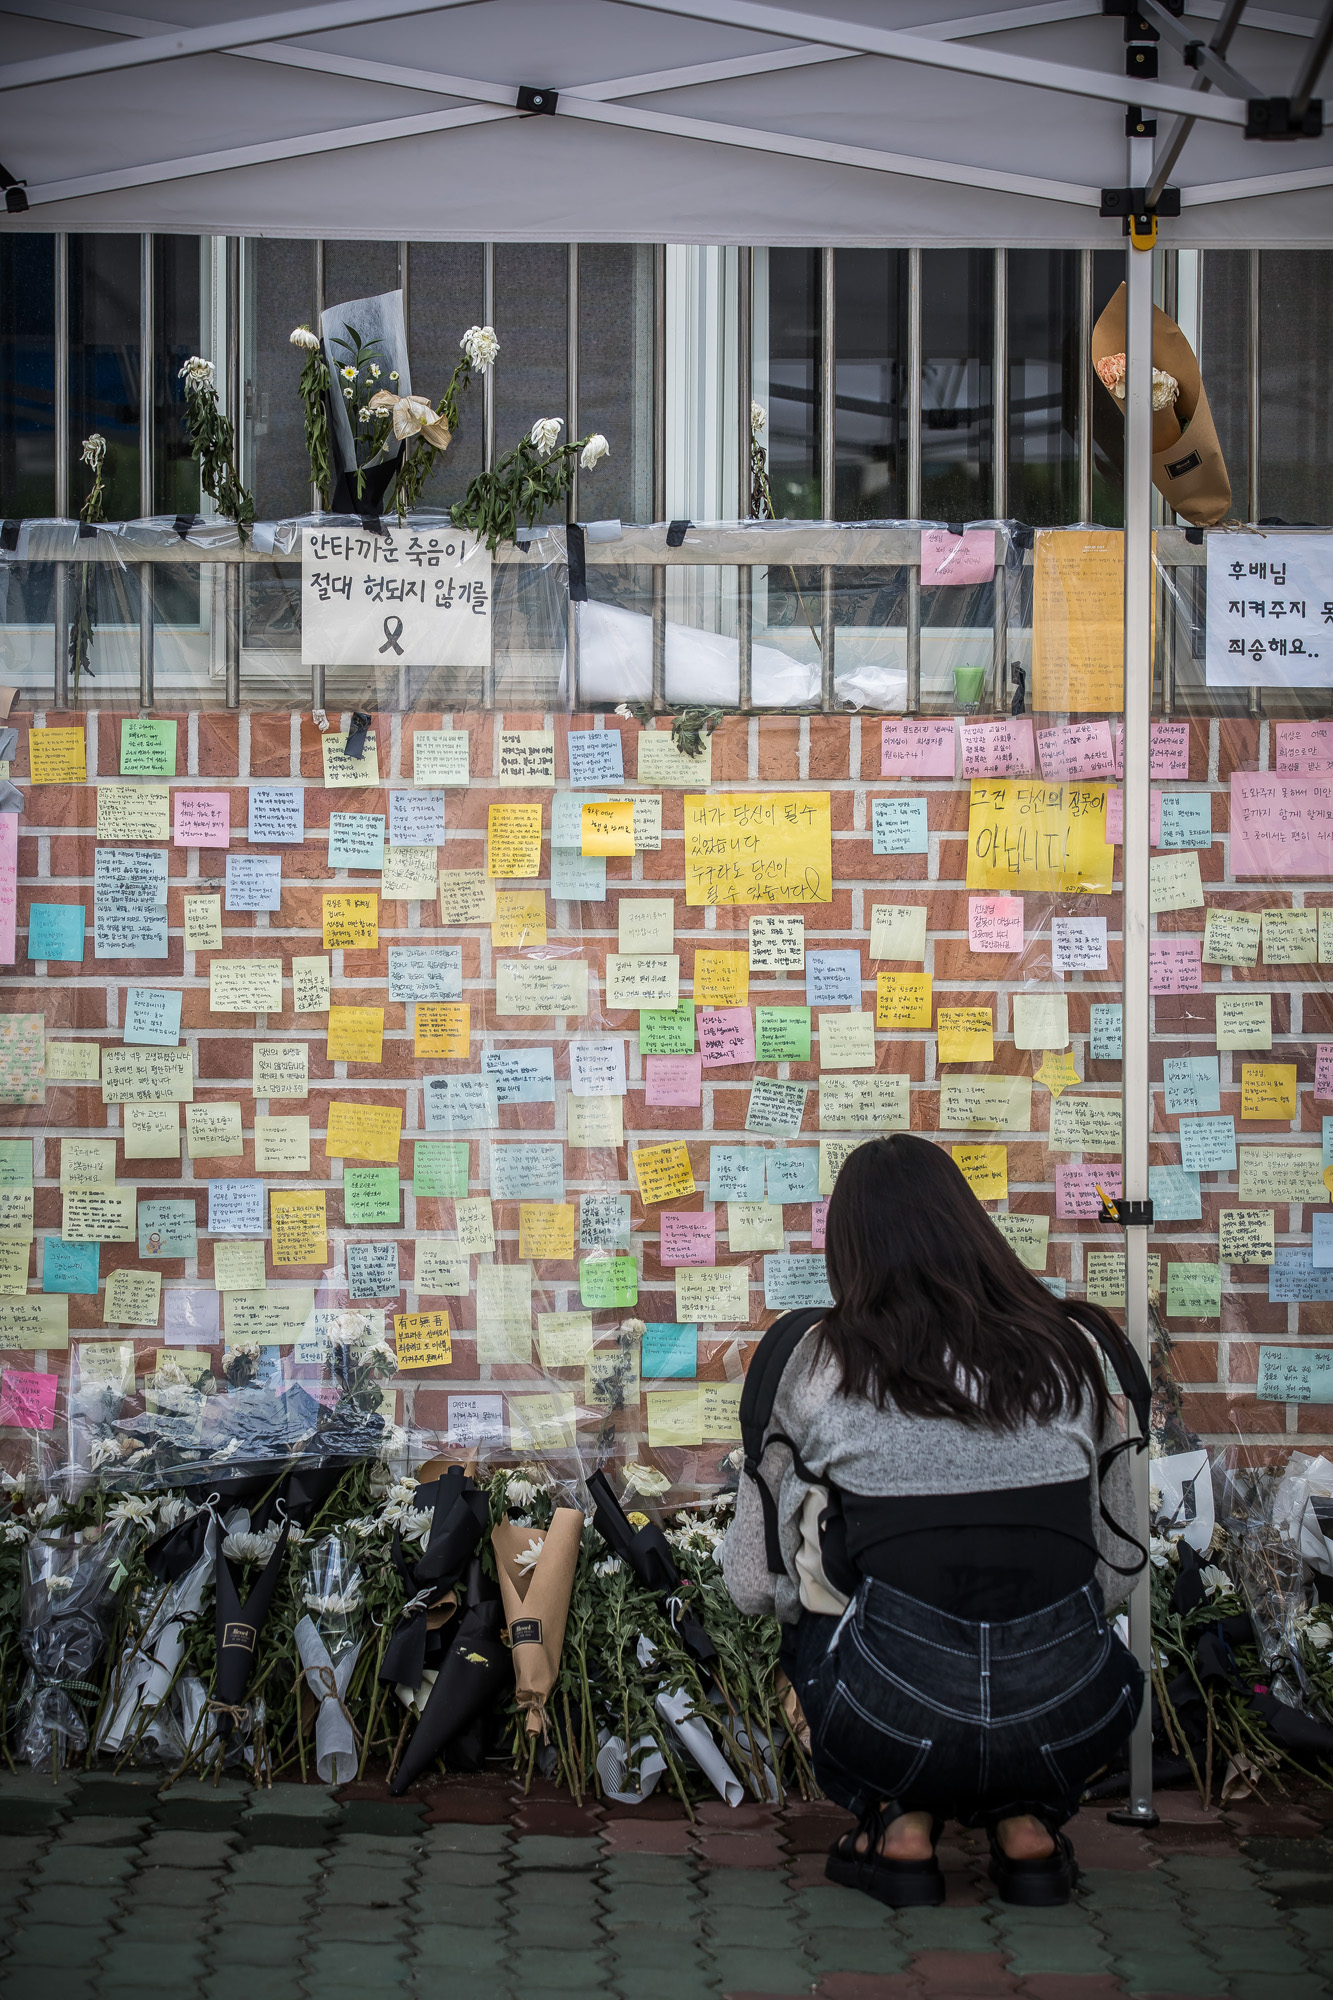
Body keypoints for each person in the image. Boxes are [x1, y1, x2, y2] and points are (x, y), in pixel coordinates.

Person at [721, 1134, 1145, 1909]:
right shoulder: (1075, 1351)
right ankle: (1028, 1828)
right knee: (1017, 1616)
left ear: (847, 1246)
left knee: (816, 1601)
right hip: (1074, 1709)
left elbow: (753, 1582)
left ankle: (899, 1826)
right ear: (969, 1225)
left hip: (886, 1714)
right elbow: (1117, 1568)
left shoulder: (814, 1363)